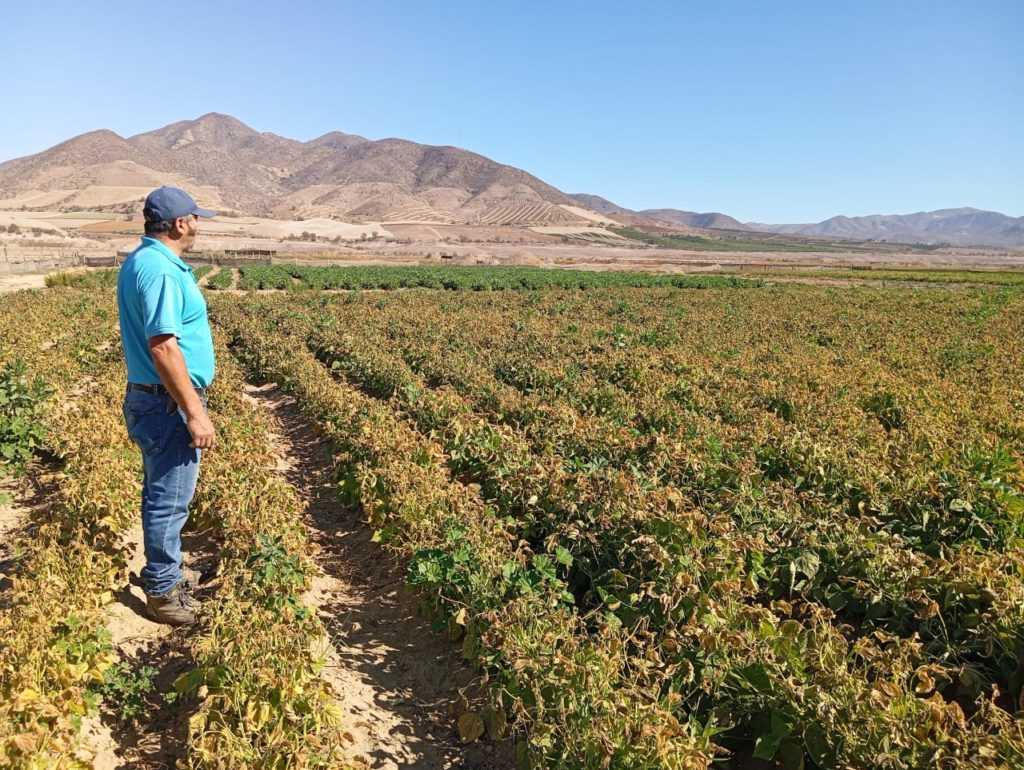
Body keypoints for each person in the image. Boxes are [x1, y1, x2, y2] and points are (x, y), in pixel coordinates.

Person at [116, 186, 217, 625]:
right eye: (195, 218)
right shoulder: (158, 270)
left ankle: (168, 572)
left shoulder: (146, 261)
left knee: (166, 492)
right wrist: (194, 411)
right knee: (169, 498)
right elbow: (163, 347)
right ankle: (161, 591)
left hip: (155, 400)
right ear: (179, 224)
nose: (198, 225)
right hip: (165, 404)